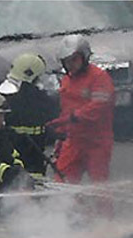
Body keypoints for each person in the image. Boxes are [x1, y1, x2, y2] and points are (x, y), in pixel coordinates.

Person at [46, 34, 115, 184]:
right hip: (73, 142)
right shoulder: (67, 81)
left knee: (99, 187)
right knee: (61, 183)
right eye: (67, 61)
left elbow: (99, 107)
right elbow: (65, 110)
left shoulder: (99, 77)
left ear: (84, 56)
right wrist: (59, 135)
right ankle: (64, 208)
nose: (71, 65)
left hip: (97, 143)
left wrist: (73, 117)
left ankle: (101, 208)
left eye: (74, 59)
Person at [0, 53, 59, 179]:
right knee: (34, 188)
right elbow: (54, 111)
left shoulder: (1, 94)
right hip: (33, 153)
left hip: (7, 154)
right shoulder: (38, 97)